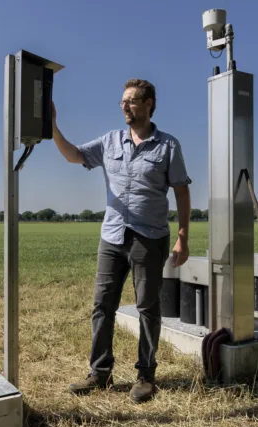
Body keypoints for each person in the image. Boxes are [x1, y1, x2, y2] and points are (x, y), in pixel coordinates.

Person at [51, 78, 191, 403]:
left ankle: (146, 376)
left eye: (131, 101)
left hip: (150, 238)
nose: (125, 106)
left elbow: (182, 191)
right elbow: (73, 155)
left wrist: (183, 236)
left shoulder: (168, 146)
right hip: (112, 237)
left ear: (148, 104)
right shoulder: (110, 141)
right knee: (102, 305)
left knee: (147, 307)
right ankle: (99, 373)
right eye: (122, 102)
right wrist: (54, 127)